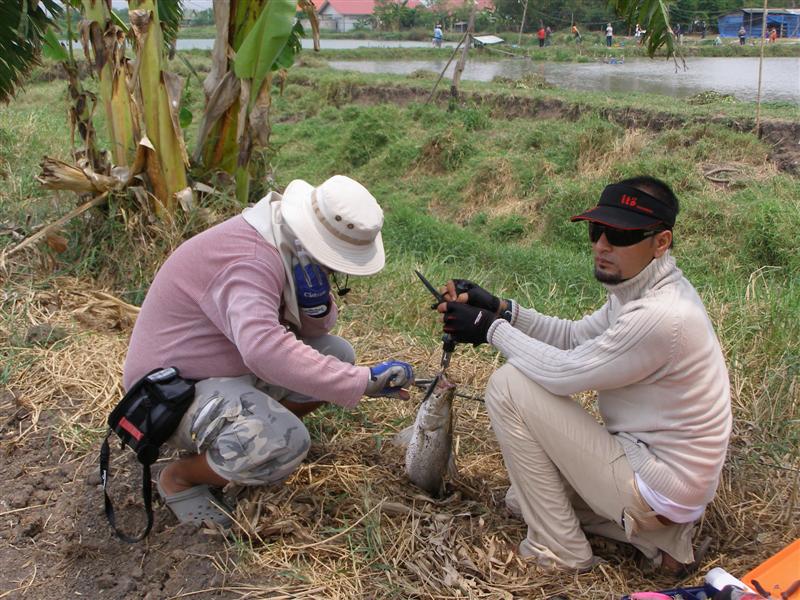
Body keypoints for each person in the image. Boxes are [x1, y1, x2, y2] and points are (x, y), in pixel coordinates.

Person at [436, 177, 732, 574]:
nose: (601, 245)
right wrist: (503, 309)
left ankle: (559, 550)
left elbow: (562, 372)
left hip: (658, 482)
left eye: (619, 235)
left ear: (661, 243)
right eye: (597, 230)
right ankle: (661, 539)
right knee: (520, 500)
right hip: (667, 483)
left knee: (509, 385)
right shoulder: (640, 291)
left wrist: (489, 328)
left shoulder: (661, 316)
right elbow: (573, 338)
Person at [124, 175, 415, 526]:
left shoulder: (286, 240)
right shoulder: (251, 260)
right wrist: (362, 381)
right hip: (170, 392)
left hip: (224, 369)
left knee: (336, 354)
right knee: (284, 440)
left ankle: (245, 442)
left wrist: (316, 307)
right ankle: (182, 477)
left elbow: (309, 334)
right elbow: (264, 349)